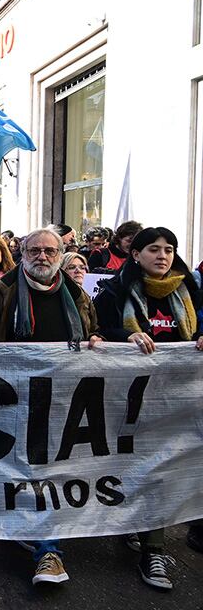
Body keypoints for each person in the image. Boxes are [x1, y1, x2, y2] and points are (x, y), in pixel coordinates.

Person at [0, 228, 100, 586]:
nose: (42, 256)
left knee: (47, 472)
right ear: (22, 253)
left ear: (61, 254)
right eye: (35, 250)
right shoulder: (2, 292)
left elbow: (94, 332)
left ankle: (46, 547)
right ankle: (47, 549)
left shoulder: (77, 295)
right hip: (12, 400)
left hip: (63, 401)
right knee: (28, 470)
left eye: (50, 250)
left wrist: (95, 340)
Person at [92, 227, 202, 590]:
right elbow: (98, 330)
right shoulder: (113, 291)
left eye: (169, 249)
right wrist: (126, 337)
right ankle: (132, 524)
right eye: (154, 249)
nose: (163, 256)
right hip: (127, 400)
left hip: (178, 403)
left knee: (160, 470)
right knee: (130, 468)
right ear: (135, 254)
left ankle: (153, 550)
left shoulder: (191, 290)